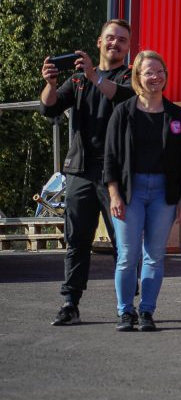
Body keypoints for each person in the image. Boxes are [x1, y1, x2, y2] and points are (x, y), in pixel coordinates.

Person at [40, 19, 134, 326]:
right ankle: (70, 303)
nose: (115, 44)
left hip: (116, 172)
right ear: (99, 41)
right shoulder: (78, 80)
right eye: (110, 38)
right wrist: (51, 85)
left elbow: (121, 97)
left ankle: (128, 306)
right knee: (77, 238)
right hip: (80, 169)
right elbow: (50, 108)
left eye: (121, 40)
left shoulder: (131, 76)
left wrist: (94, 75)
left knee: (124, 242)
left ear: (128, 47)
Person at [103, 51, 181, 332]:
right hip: (131, 191)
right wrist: (114, 195)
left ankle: (146, 312)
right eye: (149, 72)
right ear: (137, 78)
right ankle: (125, 311)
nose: (156, 77)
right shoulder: (123, 112)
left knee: (154, 255)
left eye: (160, 71)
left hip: (163, 193)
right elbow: (110, 159)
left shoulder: (175, 114)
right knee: (128, 255)